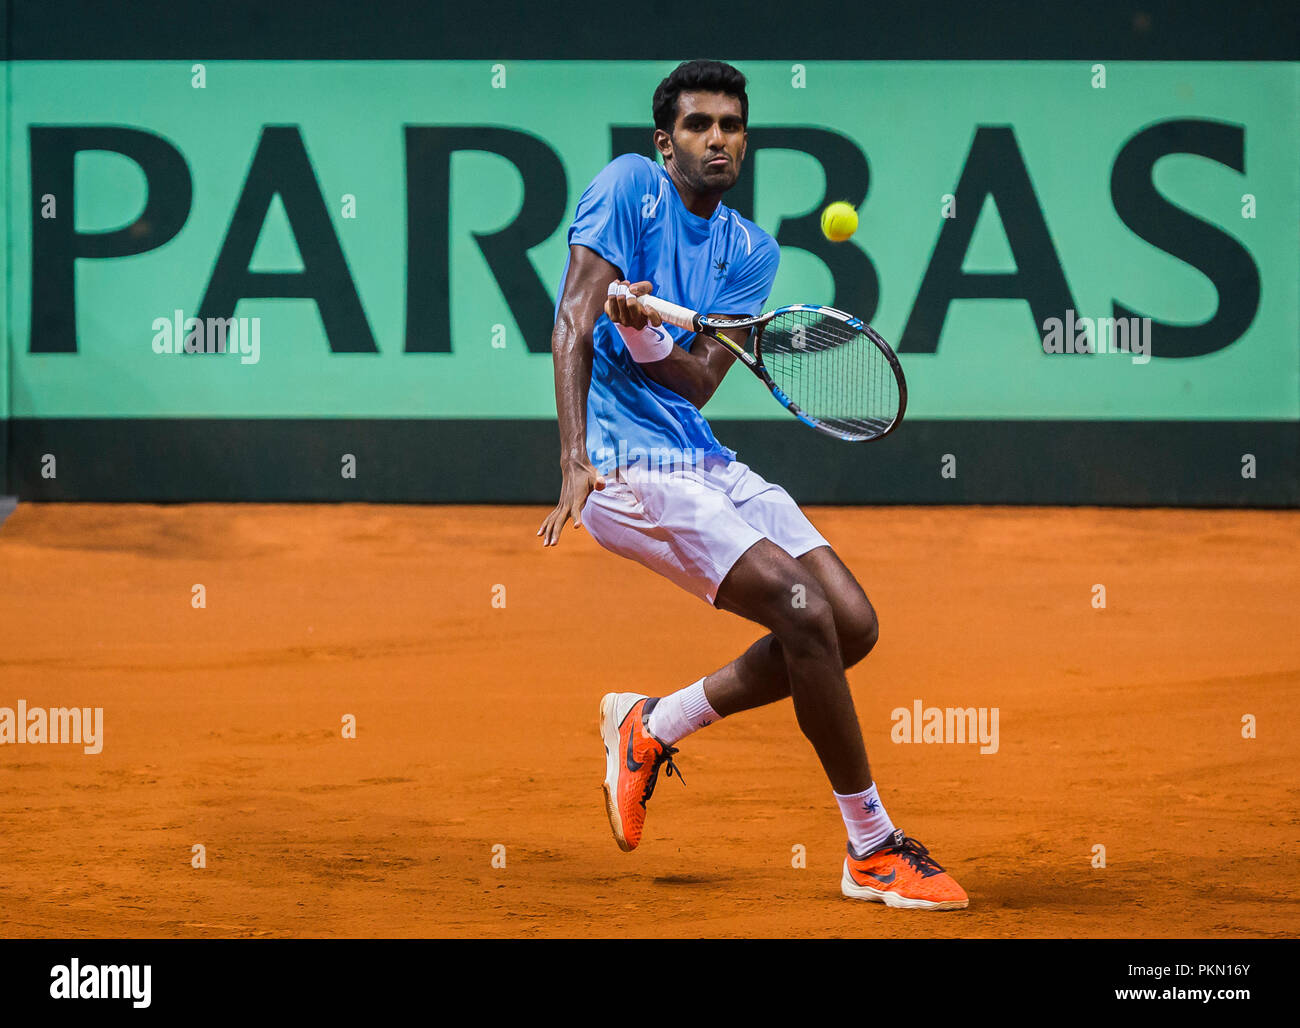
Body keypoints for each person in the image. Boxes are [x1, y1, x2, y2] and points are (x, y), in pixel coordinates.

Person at [539, 59, 967, 910]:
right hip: (627, 467)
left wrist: (653, 336)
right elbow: (572, 321)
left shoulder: (749, 252)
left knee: (850, 625)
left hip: (698, 453)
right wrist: (572, 459)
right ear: (666, 144)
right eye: (698, 126)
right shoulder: (628, 189)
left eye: (731, 125)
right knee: (801, 611)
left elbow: (696, 382)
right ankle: (872, 846)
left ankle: (652, 725)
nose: (718, 139)